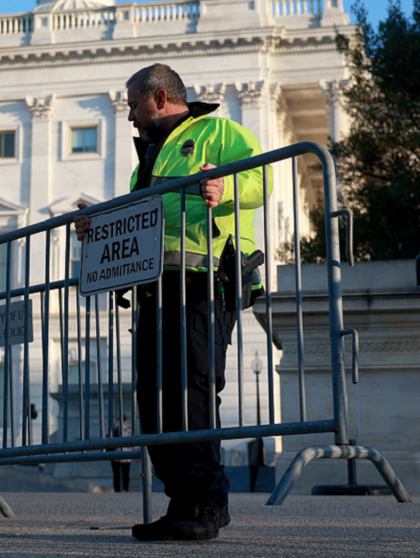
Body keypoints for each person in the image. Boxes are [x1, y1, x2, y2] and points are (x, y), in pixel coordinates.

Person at [74, 64, 268, 542]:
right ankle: (180, 502)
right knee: (153, 398)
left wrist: (225, 190)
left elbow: (259, 180)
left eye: (133, 105)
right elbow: (140, 219)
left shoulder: (218, 132)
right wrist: (98, 224)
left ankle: (207, 503)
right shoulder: (148, 161)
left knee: (192, 390)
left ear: (159, 99)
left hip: (203, 282)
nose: (130, 116)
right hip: (153, 288)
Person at [106, 414, 133, 492]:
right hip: (126, 454)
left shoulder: (113, 427)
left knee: (116, 474)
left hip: (115, 453)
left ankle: (117, 490)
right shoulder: (129, 427)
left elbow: (106, 437)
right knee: (126, 474)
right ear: (126, 419)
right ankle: (125, 489)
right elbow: (134, 440)